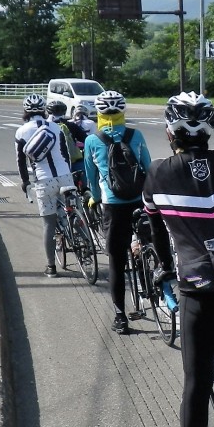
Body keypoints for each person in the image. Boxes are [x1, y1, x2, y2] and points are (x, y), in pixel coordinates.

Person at [141, 92, 214, 427]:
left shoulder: (158, 173)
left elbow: (156, 229)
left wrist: (164, 268)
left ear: (170, 131)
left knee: (197, 382)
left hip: (197, 283)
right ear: (210, 129)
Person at [82, 90, 152, 334]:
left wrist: (95, 199)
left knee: (116, 260)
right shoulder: (136, 135)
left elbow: (91, 178)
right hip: (139, 201)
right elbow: (148, 167)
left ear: (99, 113)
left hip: (112, 205)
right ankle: (148, 284)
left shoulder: (93, 140)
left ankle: (121, 316)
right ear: (123, 112)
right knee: (146, 241)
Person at [14, 94, 75, 278]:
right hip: (65, 176)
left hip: (43, 180)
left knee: (48, 223)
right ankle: (83, 239)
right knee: (72, 210)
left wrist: (25, 182)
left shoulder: (21, 132)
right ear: (43, 109)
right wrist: (68, 174)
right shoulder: (56, 127)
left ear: (25, 111)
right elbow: (66, 154)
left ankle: (51, 267)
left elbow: (20, 161)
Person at [46, 99, 86, 185]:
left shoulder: (45, 127)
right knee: (84, 183)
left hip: (55, 164)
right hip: (75, 161)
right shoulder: (71, 125)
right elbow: (85, 139)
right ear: (64, 112)